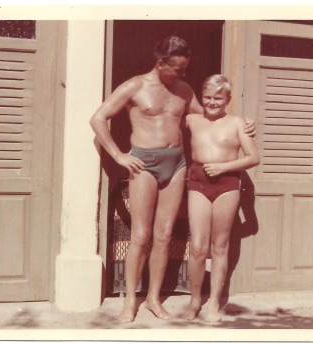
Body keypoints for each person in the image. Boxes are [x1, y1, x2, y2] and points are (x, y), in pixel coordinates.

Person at [90, 35, 255, 323]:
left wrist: (243, 123)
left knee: (164, 235)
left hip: (176, 162)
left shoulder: (183, 89)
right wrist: (119, 155)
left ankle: (153, 298)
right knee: (140, 236)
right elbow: (98, 118)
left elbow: (211, 116)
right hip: (145, 163)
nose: (183, 74)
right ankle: (130, 301)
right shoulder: (135, 86)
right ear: (160, 63)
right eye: (178, 69)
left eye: (184, 70)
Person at [180, 74, 260, 322]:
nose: (212, 102)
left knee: (220, 246)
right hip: (198, 182)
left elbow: (253, 157)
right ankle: (195, 300)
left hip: (227, 184)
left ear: (228, 99)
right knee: (197, 247)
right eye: (207, 97)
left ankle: (213, 302)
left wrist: (223, 168)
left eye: (218, 98)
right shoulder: (192, 119)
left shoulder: (238, 123)